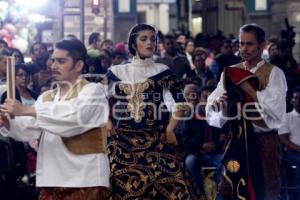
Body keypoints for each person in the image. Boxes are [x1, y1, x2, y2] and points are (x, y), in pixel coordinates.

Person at [101, 24, 205, 200]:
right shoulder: (117, 71)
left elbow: (179, 103)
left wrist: (171, 129)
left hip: (156, 138)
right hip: (122, 140)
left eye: (153, 39)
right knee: (114, 178)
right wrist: (108, 121)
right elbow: (96, 99)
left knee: (174, 181)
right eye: (144, 39)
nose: (149, 42)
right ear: (133, 44)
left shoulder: (162, 71)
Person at [0, 39, 110, 199]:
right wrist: (8, 122)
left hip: (85, 179)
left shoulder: (93, 91)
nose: (53, 66)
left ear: (78, 65)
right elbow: (29, 129)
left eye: (61, 61)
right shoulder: (46, 97)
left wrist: (27, 110)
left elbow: (74, 118)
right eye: (53, 60)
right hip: (51, 179)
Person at [206, 24, 287, 200]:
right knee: (230, 189)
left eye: (249, 44)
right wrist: (220, 105)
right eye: (241, 44)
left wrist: (250, 91)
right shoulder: (230, 72)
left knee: (265, 190)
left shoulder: (274, 73)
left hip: (264, 143)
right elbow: (212, 109)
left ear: (262, 45)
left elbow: (278, 112)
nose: (243, 48)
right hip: (236, 141)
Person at [278, 86, 300, 199]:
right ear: (292, 100)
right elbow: (283, 139)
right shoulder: (286, 117)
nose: (299, 101)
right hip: (294, 153)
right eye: (297, 98)